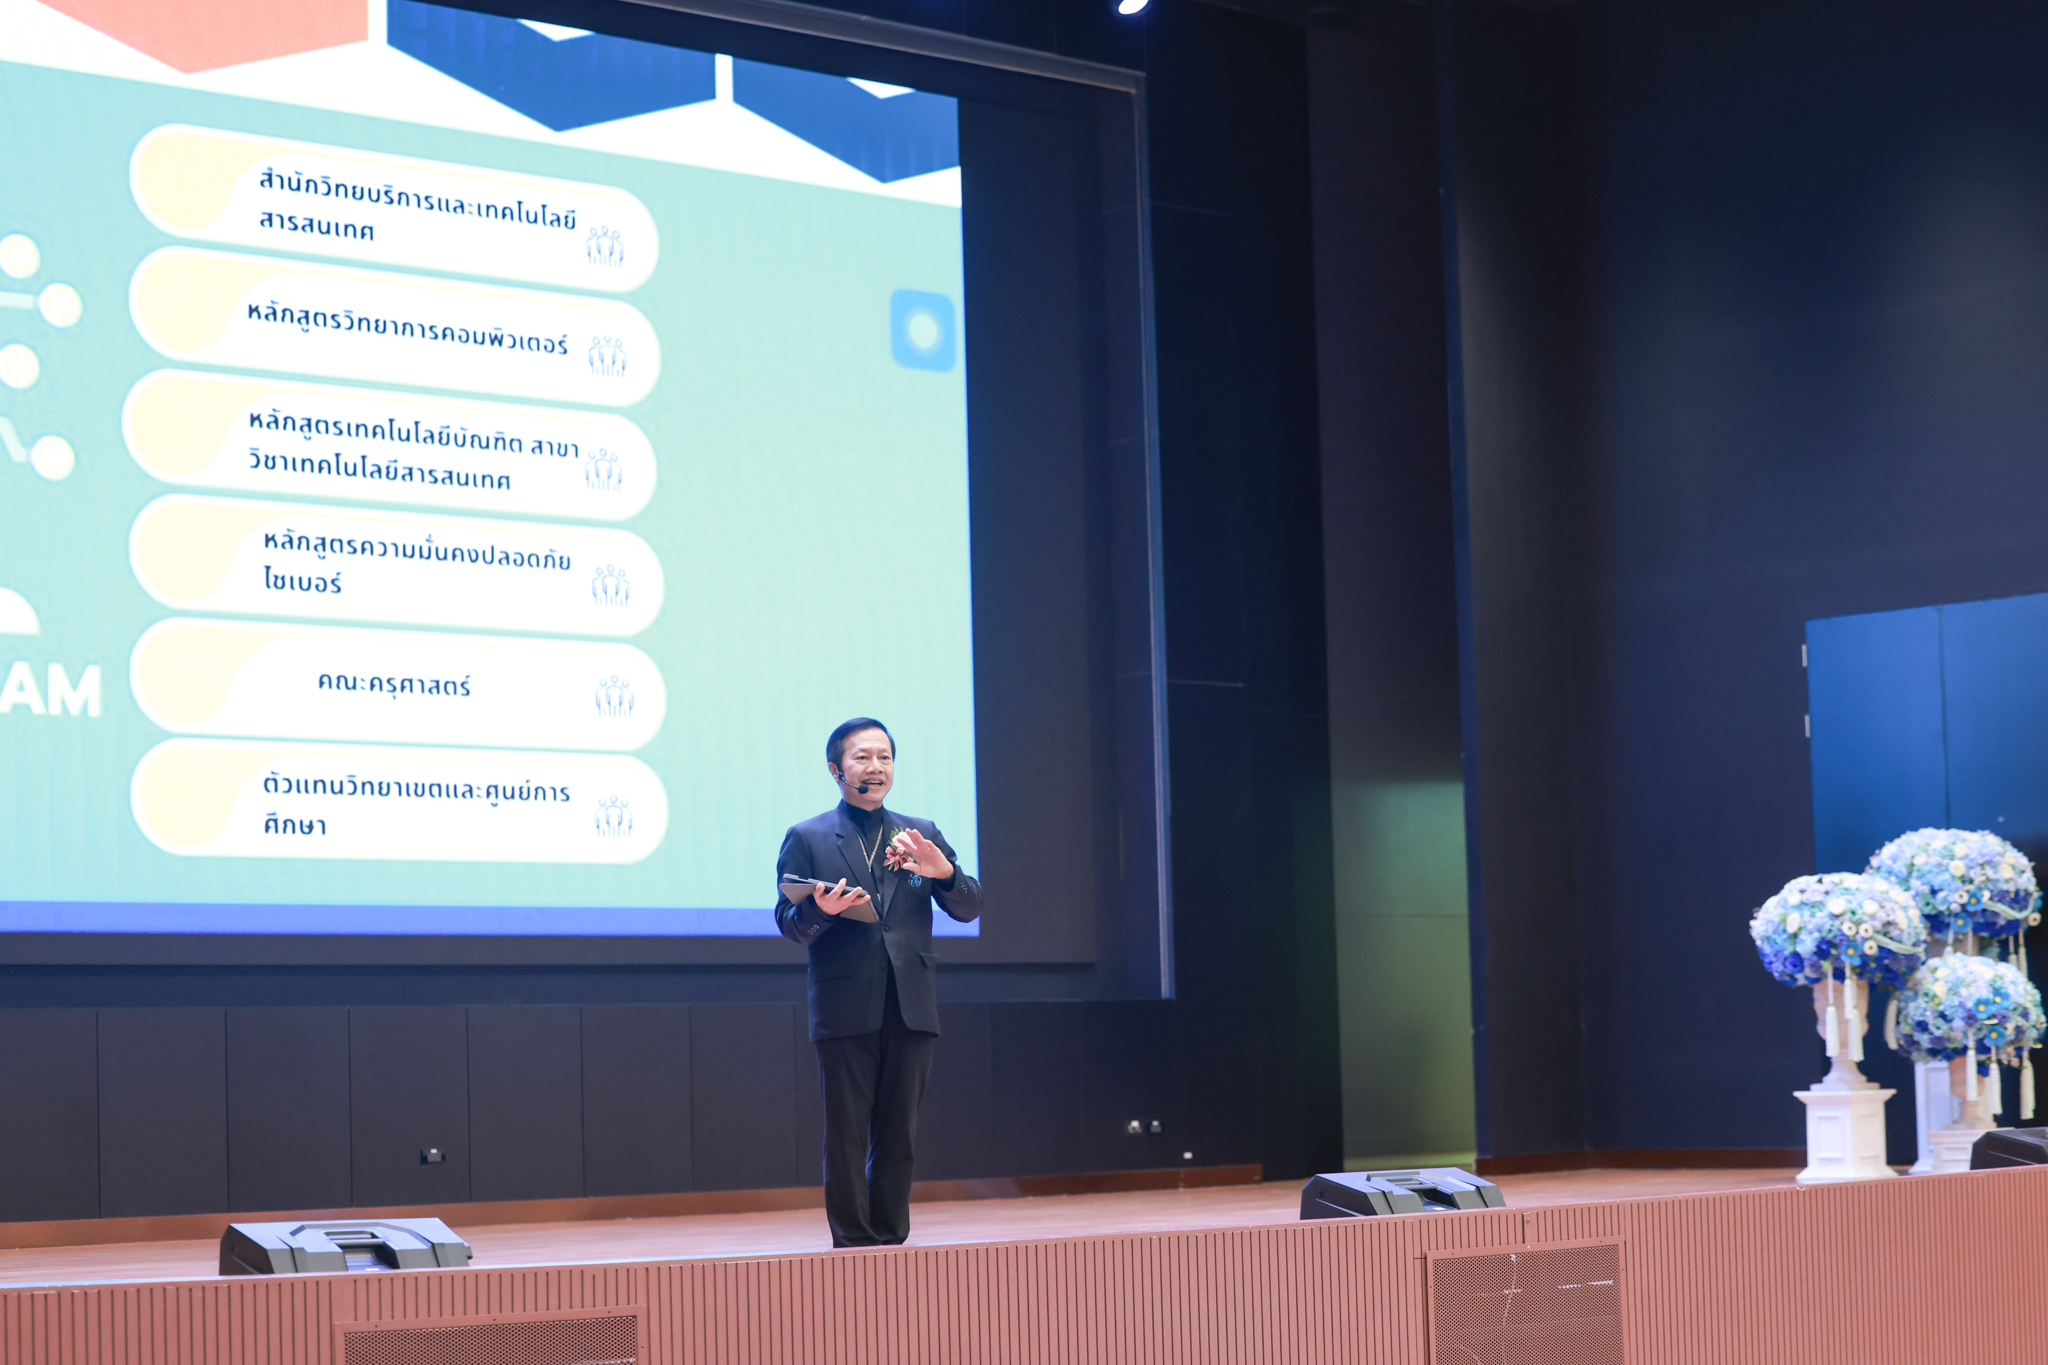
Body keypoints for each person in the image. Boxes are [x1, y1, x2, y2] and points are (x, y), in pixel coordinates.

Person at [774, 717, 982, 1247]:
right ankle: (853, 1242)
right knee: (846, 1134)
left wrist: (944, 873)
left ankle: (891, 1239)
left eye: (884, 757)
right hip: (845, 1004)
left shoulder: (920, 834)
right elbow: (790, 925)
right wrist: (820, 911)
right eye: (863, 757)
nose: (876, 767)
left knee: (899, 1134)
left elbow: (969, 907)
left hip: (911, 1002)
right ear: (836, 769)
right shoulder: (808, 837)